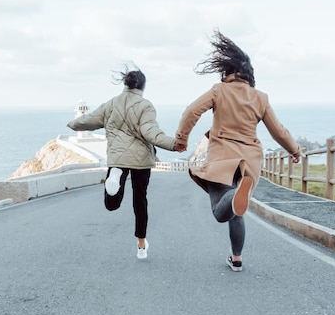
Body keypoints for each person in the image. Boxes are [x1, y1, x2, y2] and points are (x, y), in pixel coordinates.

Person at [175, 30, 301, 272]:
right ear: (249, 75)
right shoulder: (260, 97)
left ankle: (234, 196)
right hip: (249, 163)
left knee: (220, 211)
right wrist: (294, 150)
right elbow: (278, 131)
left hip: (222, 158)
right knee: (237, 211)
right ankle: (237, 257)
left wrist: (181, 140)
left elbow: (191, 111)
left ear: (227, 72)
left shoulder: (218, 90)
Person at [67, 66, 182, 260]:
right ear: (142, 86)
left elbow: (88, 120)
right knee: (140, 201)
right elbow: (151, 133)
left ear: (125, 84)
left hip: (117, 158)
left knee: (112, 204)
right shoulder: (145, 106)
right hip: (141, 161)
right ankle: (141, 245)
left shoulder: (111, 104)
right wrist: (174, 144)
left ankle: (114, 183)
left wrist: (73, 124)